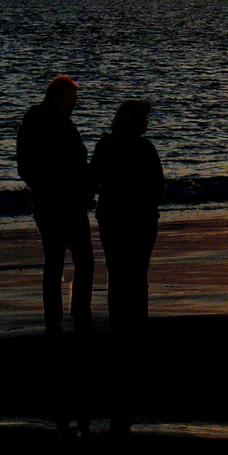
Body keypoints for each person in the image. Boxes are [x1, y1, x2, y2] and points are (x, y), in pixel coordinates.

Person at [91, 99, 164, 434]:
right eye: (145, 117)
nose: (148, 122)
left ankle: (119, 333)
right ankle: (137, 328)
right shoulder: (146, 149)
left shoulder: (106, 146)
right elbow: (158, 187)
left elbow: (92, 180)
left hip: (113, 217)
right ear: (135, 121)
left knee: (117, 273)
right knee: (138, 275)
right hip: (140, 218)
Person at [16, 75, 94, 335]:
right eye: (71, 98)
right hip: (61, 203)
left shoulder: (38, 120)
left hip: (53, 202)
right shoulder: (48, 121)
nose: (75, 104)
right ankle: (77, 313)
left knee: (57, 261)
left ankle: (57, 317)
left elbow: (25, 167)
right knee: (80, 260)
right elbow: (27, 166)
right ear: (57, 96)